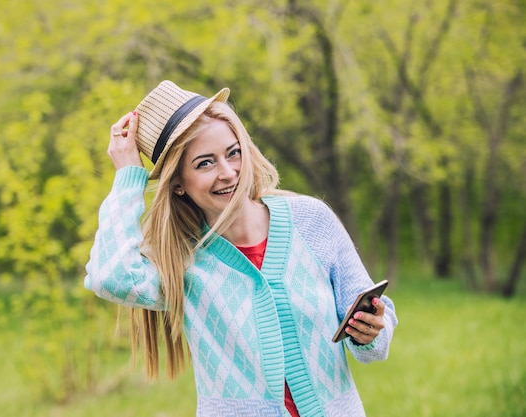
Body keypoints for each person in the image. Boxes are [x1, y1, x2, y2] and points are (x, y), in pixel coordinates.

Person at [84, 80, 398, 417]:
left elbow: (376, 327)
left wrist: (371, 331)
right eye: (205, 163)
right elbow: (109, 276)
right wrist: (129, 175)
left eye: (233, 153)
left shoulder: (311, 221)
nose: (229, 172)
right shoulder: (182, 260)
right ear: (177, 185)